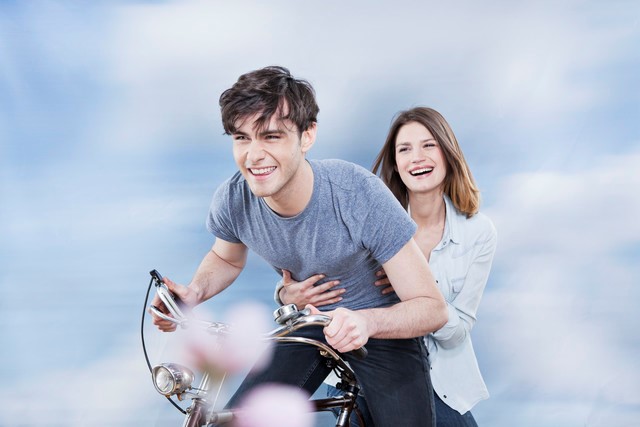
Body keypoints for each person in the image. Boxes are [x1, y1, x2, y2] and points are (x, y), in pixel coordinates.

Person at [151, 66, 448, 426]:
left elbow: (432, 308)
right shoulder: (233, 199)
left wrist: (364, 322)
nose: (254, 155)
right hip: (310, 325)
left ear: (307, 136)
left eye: (271, 136)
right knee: (236, 420)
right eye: (242, 138)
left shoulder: (356, 193)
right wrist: (193, 292)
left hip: (382, 329)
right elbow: (225, 258)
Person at [279, 107, 497, 426]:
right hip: (362, 378)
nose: (416, 158)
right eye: (404, 149)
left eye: (428, 145)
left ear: (448, 152)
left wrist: (416, 291)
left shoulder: (478, 232)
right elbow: (322, 283)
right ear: (395, 163)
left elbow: (458, 329)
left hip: (442, 387)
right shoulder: (366, 221)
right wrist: (287, 296)